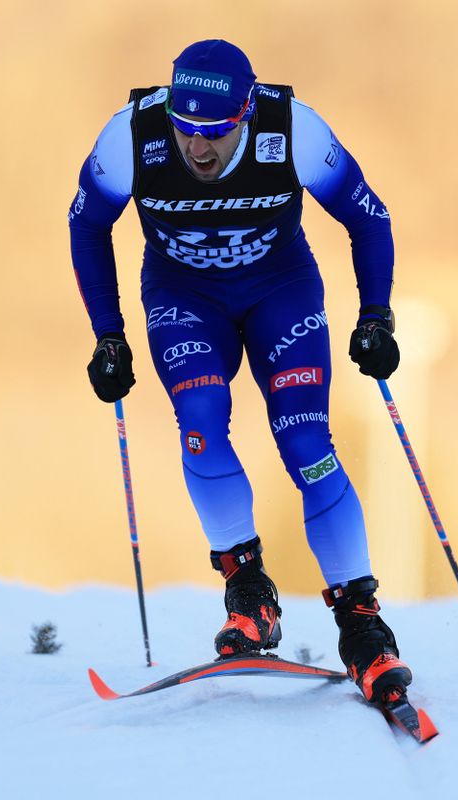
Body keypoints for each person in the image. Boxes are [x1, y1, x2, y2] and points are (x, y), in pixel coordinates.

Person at [68, 40, 411, 705]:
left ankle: (362, 623)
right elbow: (87, 224)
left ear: (247, 112)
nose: (198, 148)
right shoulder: (133, 135)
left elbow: (368, 215)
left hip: (280, 292)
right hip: (184, 298)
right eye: (186, 129)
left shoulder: (294, 129)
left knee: (308, 446)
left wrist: (377, 316)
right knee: (199, 424)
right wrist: (108, 335)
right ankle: (249, 592)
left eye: (216, 132)